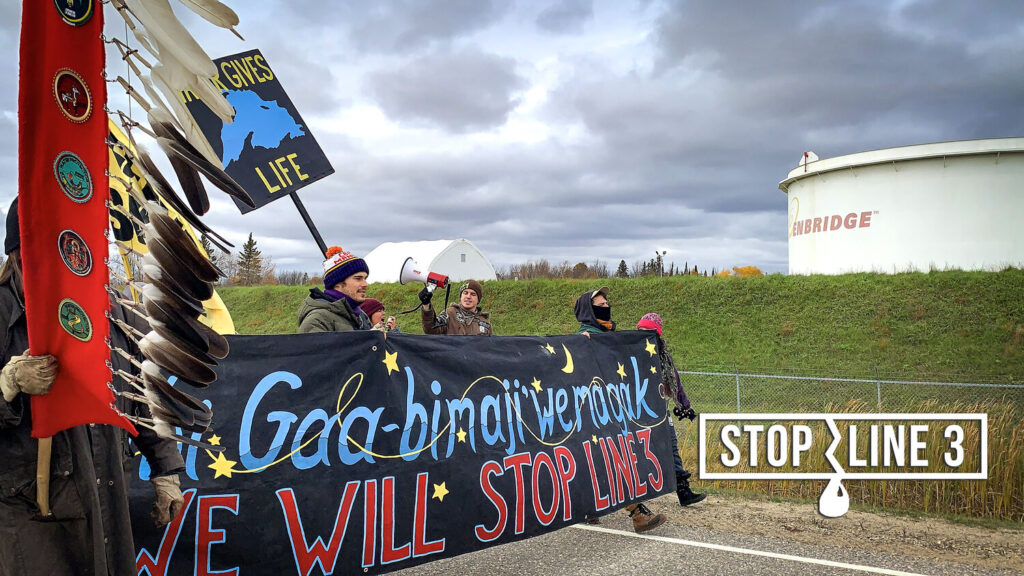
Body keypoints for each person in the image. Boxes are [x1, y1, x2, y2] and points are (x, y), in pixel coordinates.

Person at [0, 197, 185, 575]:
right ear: (19, 253)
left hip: (105, 491)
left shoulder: (112, 308)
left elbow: (144, 391)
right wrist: (7, 385)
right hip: (28, 508)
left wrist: (165, 469)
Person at [573, 286, 666, 533]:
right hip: (594, 411)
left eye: (606, 303)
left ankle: (589, 508)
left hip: (613, 408)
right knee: (613, 458)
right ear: (587, 310)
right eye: (599, 305)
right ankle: (637, 514)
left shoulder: (609, 336)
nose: (605, 307)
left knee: (605, 459)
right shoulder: (582, 339)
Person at [637, 313, 707, 507]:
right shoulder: (630, 353)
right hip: (636, 413)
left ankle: (683, 492)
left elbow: (674, 381)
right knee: (639, 452)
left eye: (648, 331)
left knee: (672, 449)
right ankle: (635, 498)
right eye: (640, 330)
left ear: (657, 333)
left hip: (660, 409)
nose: (643, 335)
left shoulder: (663, 357)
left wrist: (685, 405)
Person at [298, 246, 371, 333]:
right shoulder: (317, 320)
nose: (365, 284)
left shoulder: (362, 316)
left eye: (365, 278)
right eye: (358, 278)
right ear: (337, 284)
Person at [419, 280, 492, 336]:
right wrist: (426, 305)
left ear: (478, 299)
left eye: (473, 294)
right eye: (465, 293)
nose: (468, 296)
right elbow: (431, 330)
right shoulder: (450, 313)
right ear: (461, 296)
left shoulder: (485, 323)